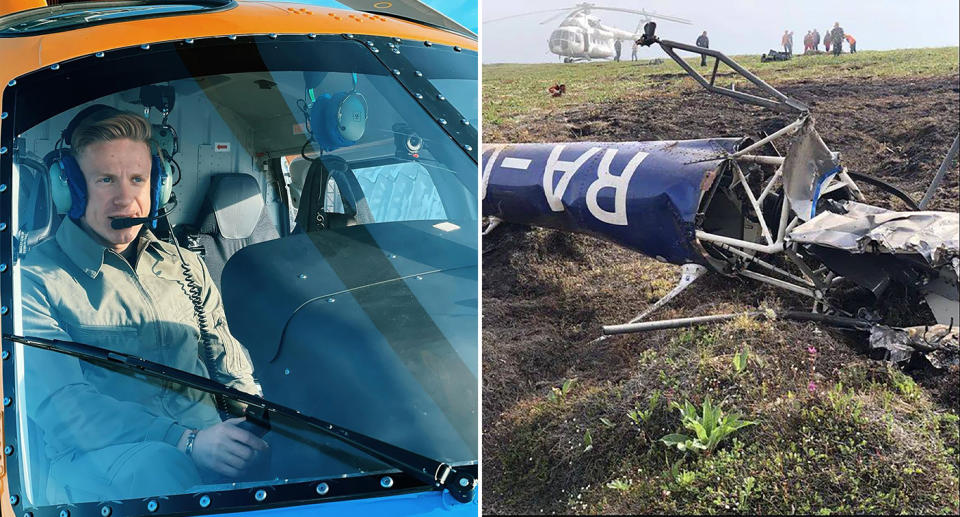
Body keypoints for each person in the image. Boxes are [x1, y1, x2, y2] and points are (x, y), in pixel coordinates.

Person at [22, 107, 268, 502]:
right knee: (159, 466)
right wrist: (186, 442)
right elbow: (64, 407)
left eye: (138, 179)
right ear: (70, 187)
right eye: (105, 180)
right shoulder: (34, 280)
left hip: (208, 447)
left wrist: (256, 424)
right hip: (102, 459)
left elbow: (228, 363)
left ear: (158, 187)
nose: (126, 198)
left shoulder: (186, 265)